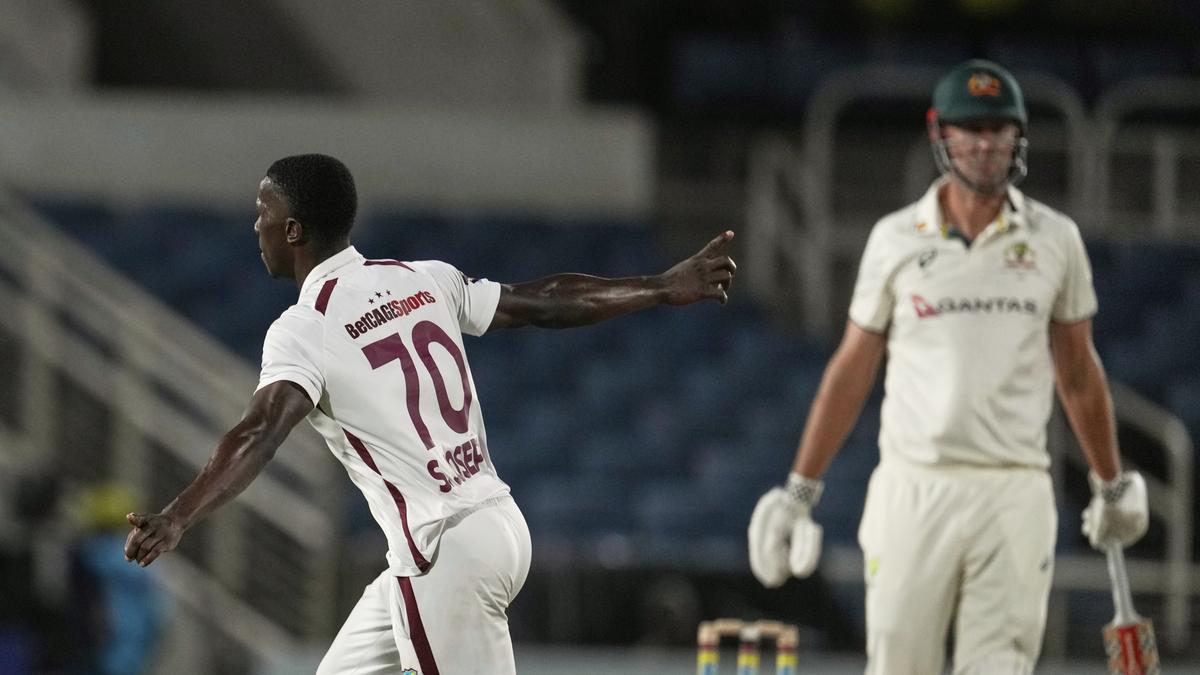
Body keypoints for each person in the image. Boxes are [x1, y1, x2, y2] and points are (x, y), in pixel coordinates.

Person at [123, 153, 737, 674]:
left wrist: (179, 515)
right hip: (491, 523)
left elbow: (260, 431)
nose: (254, 225)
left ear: (292, 230)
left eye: (263, 213)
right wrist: (658, 287)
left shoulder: (304, 329)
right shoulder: (422, 278)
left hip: (442, 551)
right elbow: (545, 302)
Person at [746, 59, 1149, 674]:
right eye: (971, 129)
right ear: (941, 134)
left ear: (1018, 137)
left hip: (1014, 488)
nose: (986, 145)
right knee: (898, 665)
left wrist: (1111, 484)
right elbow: (852, 371)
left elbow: (1077, 373)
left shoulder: (1055, 239)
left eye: (999, 129)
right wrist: (798, 493)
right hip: (913, 487)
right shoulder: (895, 239)